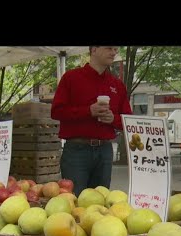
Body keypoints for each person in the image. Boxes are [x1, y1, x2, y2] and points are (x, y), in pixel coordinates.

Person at [51, 46, 132, 196]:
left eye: (115, 49)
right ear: (93, 49)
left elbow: (129, 121)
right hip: (76, 150)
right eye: (109, 48)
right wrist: (88, 111)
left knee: (101, 201)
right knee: (73, 200)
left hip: (105, 151)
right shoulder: (71, 78)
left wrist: (114, 119)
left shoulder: (117, 85)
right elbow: (56, 111)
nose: (114, 52)